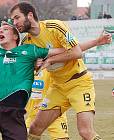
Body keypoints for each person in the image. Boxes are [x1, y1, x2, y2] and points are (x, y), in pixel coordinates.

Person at [9, 2, 112, 140]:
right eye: (13, 20)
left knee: (85, 132)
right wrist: (35, 65)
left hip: (79, 83)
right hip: (57, 88)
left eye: (17, 18)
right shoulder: (26, 43)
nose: (15, 22)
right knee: (34, 129)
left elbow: (76, 52)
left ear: (30, 15)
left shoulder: (54, 27)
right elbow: (27, 69)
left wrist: (50, 60)